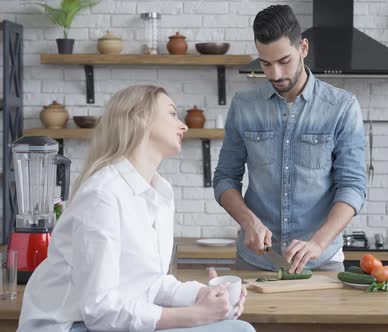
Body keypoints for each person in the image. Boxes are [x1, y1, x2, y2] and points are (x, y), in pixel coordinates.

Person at [18, 85, 255, 332]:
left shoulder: (160, 193)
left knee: (232, 326)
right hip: (69, 326)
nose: (184, 126)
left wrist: (205, 295)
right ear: (141, 119)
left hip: (104, 322)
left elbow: (150, 284)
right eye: (173, 114)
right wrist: (197, 315)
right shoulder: (103, 195)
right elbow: (100, 311)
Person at [213, 5, 366, 274]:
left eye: (284, 61)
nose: (275, 74)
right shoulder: (244, 106)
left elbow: (353, 186)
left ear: (303, 48)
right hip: (256, 260)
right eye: (265, 63)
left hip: (321, 262)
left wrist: (318, 243)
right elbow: (225, 177)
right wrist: (248, 221)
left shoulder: (342, 107)